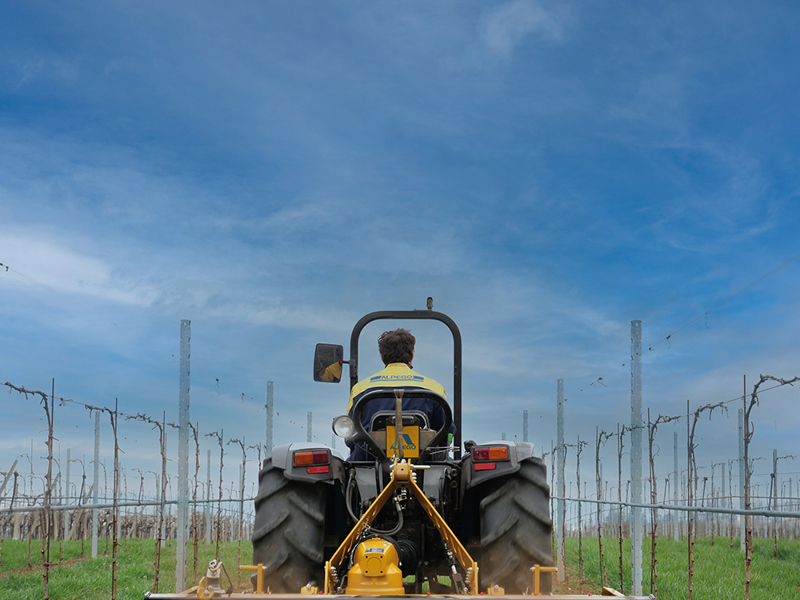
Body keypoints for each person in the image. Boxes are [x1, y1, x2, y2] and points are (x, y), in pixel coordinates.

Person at [346, 328, 456, 460]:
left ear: (382, 356)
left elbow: (351, 432)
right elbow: (446, 432)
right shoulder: (434, 388)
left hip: (369, 463)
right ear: (412, 355)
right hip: (425, 466)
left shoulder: (360, 389)